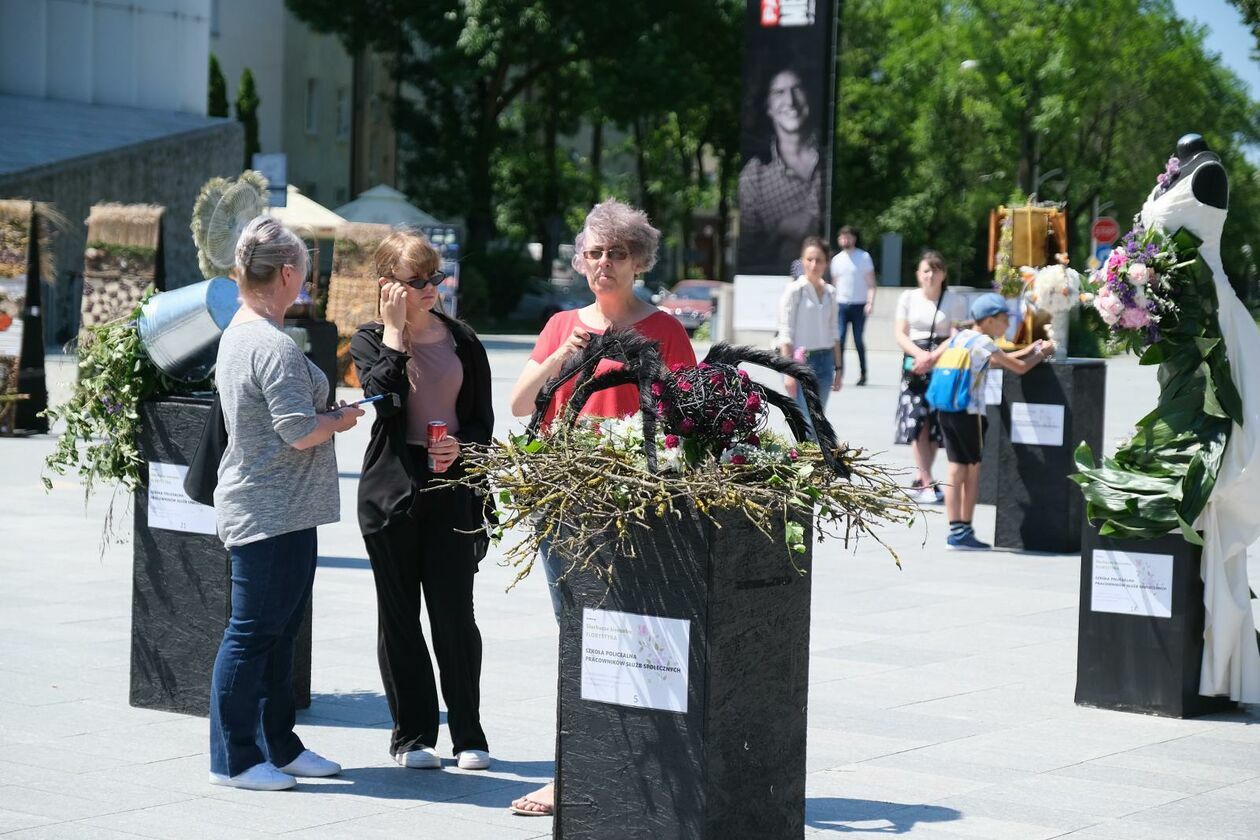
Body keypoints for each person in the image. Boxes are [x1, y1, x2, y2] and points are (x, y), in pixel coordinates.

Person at [507, 199, 696, 817]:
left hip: (638, 506)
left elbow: (687, 421)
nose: (604, 264)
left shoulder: (664, 331)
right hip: (567, 506)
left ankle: (645, 771)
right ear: (581, 261)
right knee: (575, 636)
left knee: (635, 638)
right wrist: (563, 359)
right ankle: (572, 770)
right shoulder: (562, 325)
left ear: (639, 260)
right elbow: (518, 404)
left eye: (617, 253)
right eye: (594, 252)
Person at [209, 217, 364, 791]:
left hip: (283, 510)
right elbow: (298, 431)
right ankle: (235, 759)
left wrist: (325, 416)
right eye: (306, 273)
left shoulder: (242, 332)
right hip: (268, 512)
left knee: (277, 635)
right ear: (290, 274)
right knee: (251, 635)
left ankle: (279, 745)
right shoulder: (269, 344)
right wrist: (341, 419)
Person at [350, 231, 494, 772]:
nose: (433, 287)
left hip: (454, 487)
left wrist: (465, 444)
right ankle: (413, 736)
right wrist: (393, 335)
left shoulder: (464, 340)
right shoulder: (368, 341)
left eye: (436, 277)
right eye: (418, 281)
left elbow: (484, 422)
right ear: (388, 286)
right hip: (393, 494)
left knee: (455, 614)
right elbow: (384, 404)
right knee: (400, 618)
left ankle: (469, 734)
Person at [935, 293, 1054, 550]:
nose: (1006, 325)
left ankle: (954, 529)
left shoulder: (960, 337)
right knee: (974, 470)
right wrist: (1042, 354)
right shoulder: (984, 341)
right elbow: (1018, 368)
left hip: (947, 410)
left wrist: (1030, 348)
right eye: (1003, 319)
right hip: (970, 414)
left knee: (955, 468)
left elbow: (1001, 358)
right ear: (989, 321)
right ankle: (964, 530)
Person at [893, 250, 968, 504]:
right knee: (915, 422)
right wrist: (920, 356)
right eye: (926, 270)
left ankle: (922, 478)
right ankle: (926, 481)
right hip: (913, 363)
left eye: (935, 270)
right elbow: (901, 333)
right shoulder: (908, 297)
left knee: (934, 425)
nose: (930, 275)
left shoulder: (954, 300)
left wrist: (933, 356)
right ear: (918, 273)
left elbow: (956, 334)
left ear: (943, 274)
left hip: (942, 362)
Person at [737, 64, 822, 273]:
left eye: (797, 89)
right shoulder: (754, 176)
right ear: (768, 106)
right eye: (779, 92)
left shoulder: (826, 161)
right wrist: (782, 228)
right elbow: (751, 249)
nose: (790, 101)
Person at [778, 236, 842, 434]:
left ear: (826, 262)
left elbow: (834, 332)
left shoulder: (831, 292)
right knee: (807, 421)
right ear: (802, 260)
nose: (814, 265)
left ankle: (814, 461)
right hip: (800, 363)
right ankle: (807, 461)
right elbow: (785, 332)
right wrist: (788, 372)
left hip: (825, 361)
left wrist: (838, 367)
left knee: (818, 419)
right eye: (809, 259)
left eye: (819, 260)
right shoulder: (795, 290)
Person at [830, 226, 877, 386]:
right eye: (842, 237)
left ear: (854, 239)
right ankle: (839, 372)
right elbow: (834, 285)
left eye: (848, 237)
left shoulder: (863, 257)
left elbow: (871, 283)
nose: (845, 240)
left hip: (859, 305)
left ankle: (863, 373)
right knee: (840, 339)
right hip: (841, 305)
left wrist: (870, 302)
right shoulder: (836, 260)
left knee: (858, 339)